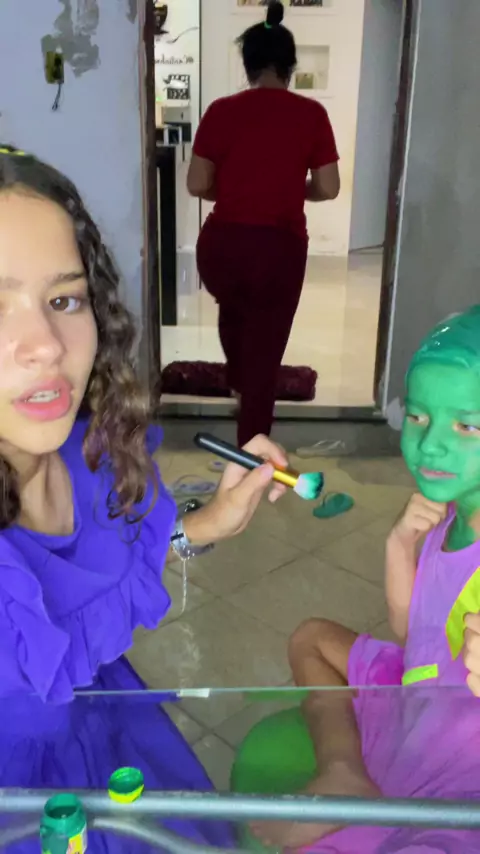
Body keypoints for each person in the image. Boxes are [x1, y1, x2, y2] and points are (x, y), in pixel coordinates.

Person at [0, 144, 289, 852]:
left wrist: (208, 523)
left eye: (64, 300)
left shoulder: (88, 454)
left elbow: (108, 571)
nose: (46, 345)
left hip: (104, 739)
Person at [247, 307, 480, 853]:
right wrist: (399, 548)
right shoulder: (446, 515)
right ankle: (344, 771)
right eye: (418, 417)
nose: (431, 444)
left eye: (467, 425)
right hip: (418, 698)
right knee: (311, 638)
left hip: (463, 770)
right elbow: (415, 637)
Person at [187, 0, 340, 447]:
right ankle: (251, 450)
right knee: (265, 349)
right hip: (277, 250)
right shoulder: (311, 115)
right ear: (290, 66)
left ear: (248, 65)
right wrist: (289, 189)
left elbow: (197, 183)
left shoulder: (221, 111)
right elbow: (328, 187)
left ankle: (239, 386)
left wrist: (238, 187)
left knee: (234, 315)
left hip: (221, 247)